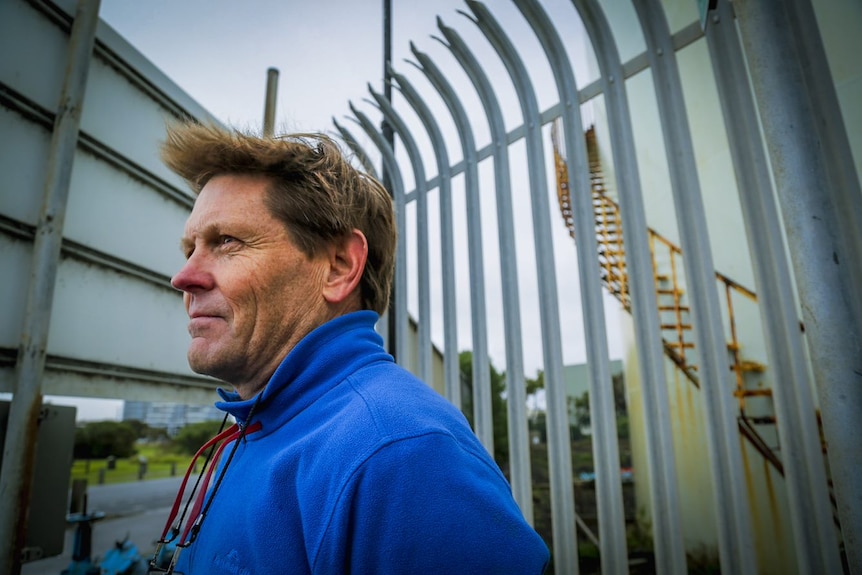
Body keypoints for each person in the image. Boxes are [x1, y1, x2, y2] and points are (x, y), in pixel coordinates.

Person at [152, 122, 549, 574]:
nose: (183, 277)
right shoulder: (247, 435)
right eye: (190, 249)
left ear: (339, 267)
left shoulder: (400, 455)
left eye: (227, 242)